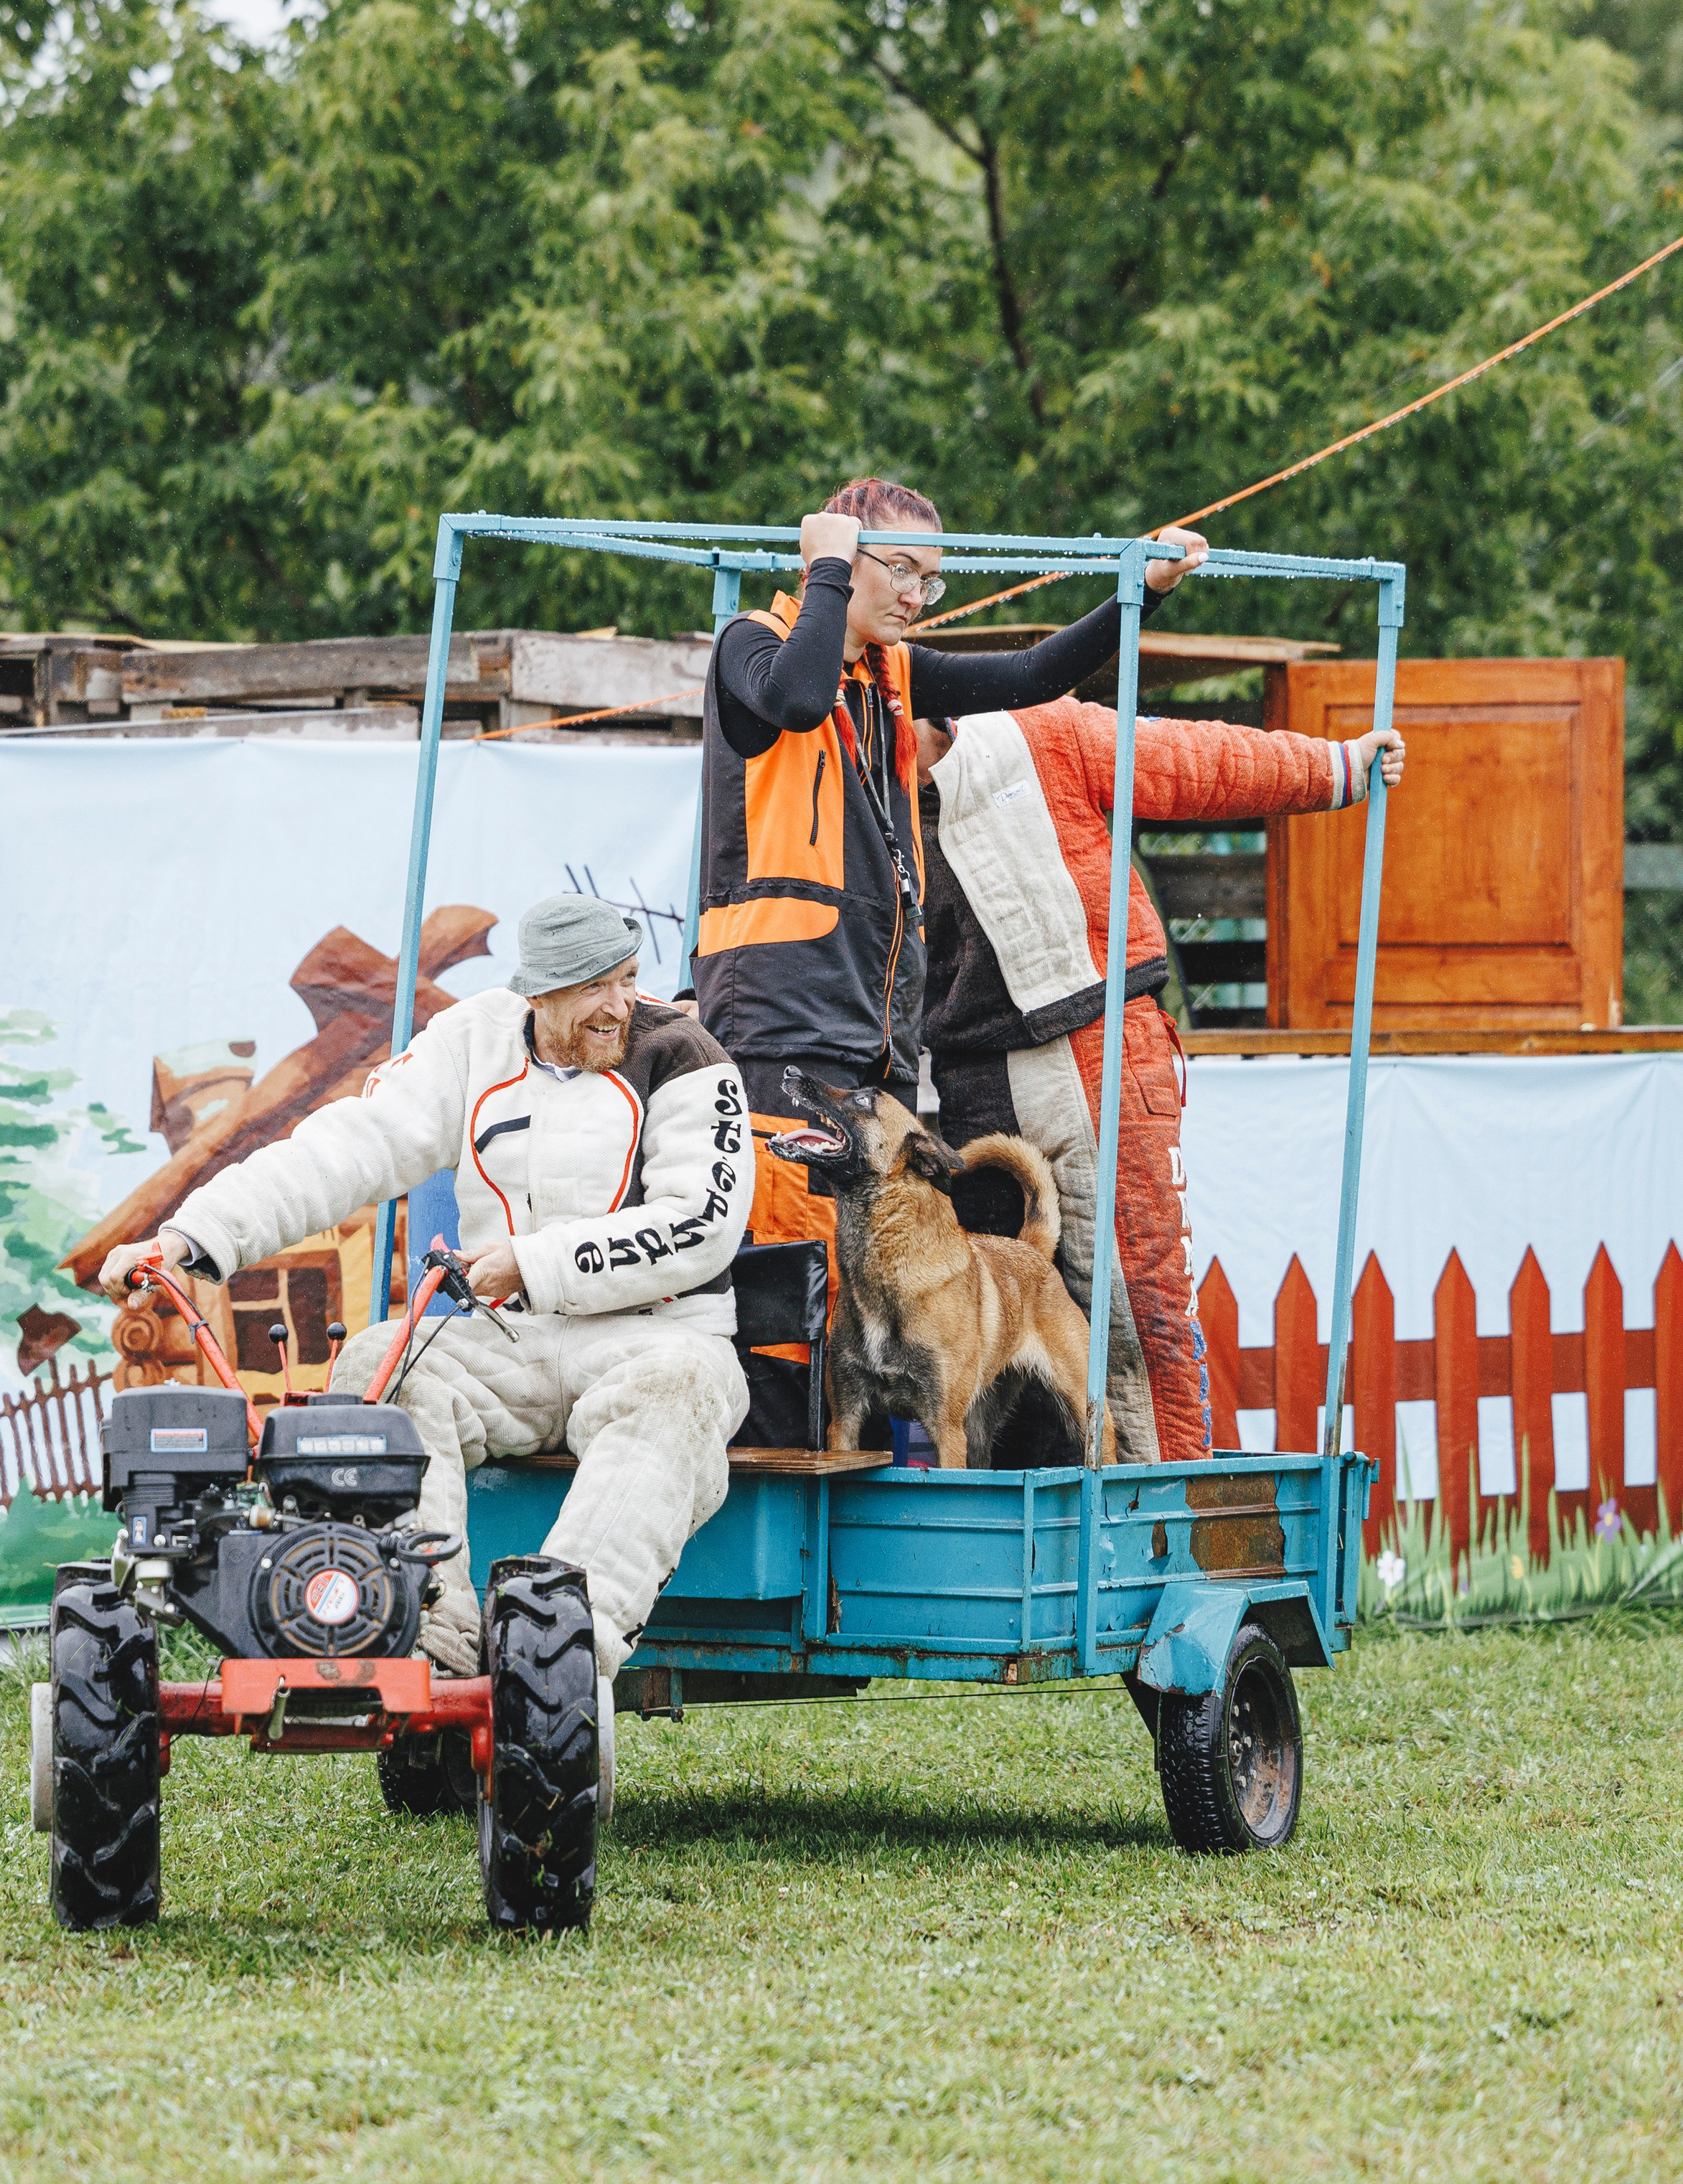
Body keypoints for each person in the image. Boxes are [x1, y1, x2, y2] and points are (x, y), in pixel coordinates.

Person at [98, 894, 755, 1687]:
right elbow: (344, 1149)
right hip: (508, 1342)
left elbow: (701, 1224)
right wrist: (192, 1236)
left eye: (626, 980)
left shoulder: (688, 1053)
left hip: (659, 1336)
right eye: (592, 989)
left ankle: (555, 1657)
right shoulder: (472, 1039)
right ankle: (427, 1643)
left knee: (679, 1390)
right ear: (536, 992)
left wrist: (530, 1262)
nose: (619, 1006)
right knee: (383, 1368)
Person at [691, 475, 1208, 1262]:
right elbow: (798, 699)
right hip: (780, 1010)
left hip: (876, 1022)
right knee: (789, 1267)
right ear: (835, 553)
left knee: (877, 1275)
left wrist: (1140, 594)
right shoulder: (751, 643)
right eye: (899, 568)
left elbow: (1033, 675)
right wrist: (825, 571)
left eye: (928, 579)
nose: (915, 596)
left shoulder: (888, 671)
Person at [916, 698, 1407, 1466]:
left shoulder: (1043, 736)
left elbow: (1191, 762)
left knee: (1138, 1321)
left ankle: (1156, 1531)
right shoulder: (860, 799)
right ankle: (1012, 1565)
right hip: (970, 1078)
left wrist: (1337, 768)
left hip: (1095, 1043)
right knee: (986, 1349)